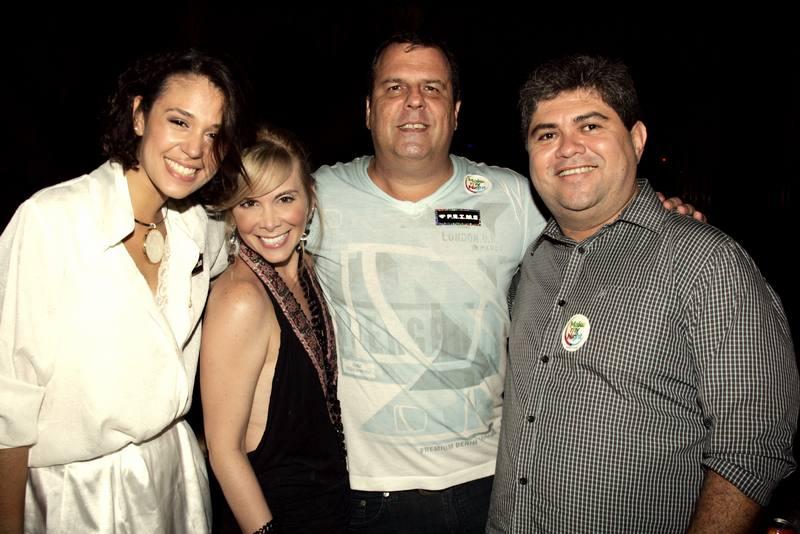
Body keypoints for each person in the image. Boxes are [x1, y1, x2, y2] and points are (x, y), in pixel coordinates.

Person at [308, 34, 701, 532]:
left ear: (455, 112)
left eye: (432, 88)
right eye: (394, 87)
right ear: (368, 110)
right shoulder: (315, 197)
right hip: (362, 489)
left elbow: (596, 227)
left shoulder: (512, 197)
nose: (414, 101)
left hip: (489, 484)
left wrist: (659, 211)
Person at [488, 54, 799, 533]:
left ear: (636, 140)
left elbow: (752, 448)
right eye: (547, 135)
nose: (568, 148)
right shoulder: (530, 263)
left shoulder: (707, 263)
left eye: (590, 126)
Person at [0, 48, 248, 533]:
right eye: (179, 122)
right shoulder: (53, 221)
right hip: (75, 495)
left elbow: (259, 245)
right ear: (138, 115)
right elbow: (8, 400)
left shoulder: (200, 227)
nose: (195, 149)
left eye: (213, 134)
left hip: (176, 481)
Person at [200, 128, 349, 534]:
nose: (269, 221)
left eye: (284, 198)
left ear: (310, 200)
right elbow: (224, 452)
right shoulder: (241, 300)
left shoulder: (308, 273)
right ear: (231, 212)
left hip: (330, 509)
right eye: (249, 203)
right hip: (278, 517)